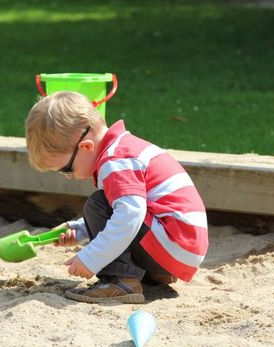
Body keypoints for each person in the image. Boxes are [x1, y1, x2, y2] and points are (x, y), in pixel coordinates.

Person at [25, 91, 209, 304]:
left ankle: (120, 280)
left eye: (67, 169)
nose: (70, 177)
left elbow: (129, 214)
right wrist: (80, 230)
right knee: (107, 204)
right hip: (180, 248)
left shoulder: (116, 161)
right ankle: (148, 273)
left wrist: (91, 257)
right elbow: (131, 210)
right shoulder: (124, 148)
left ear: (86, 147)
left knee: (98, 203)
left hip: (173, 245)